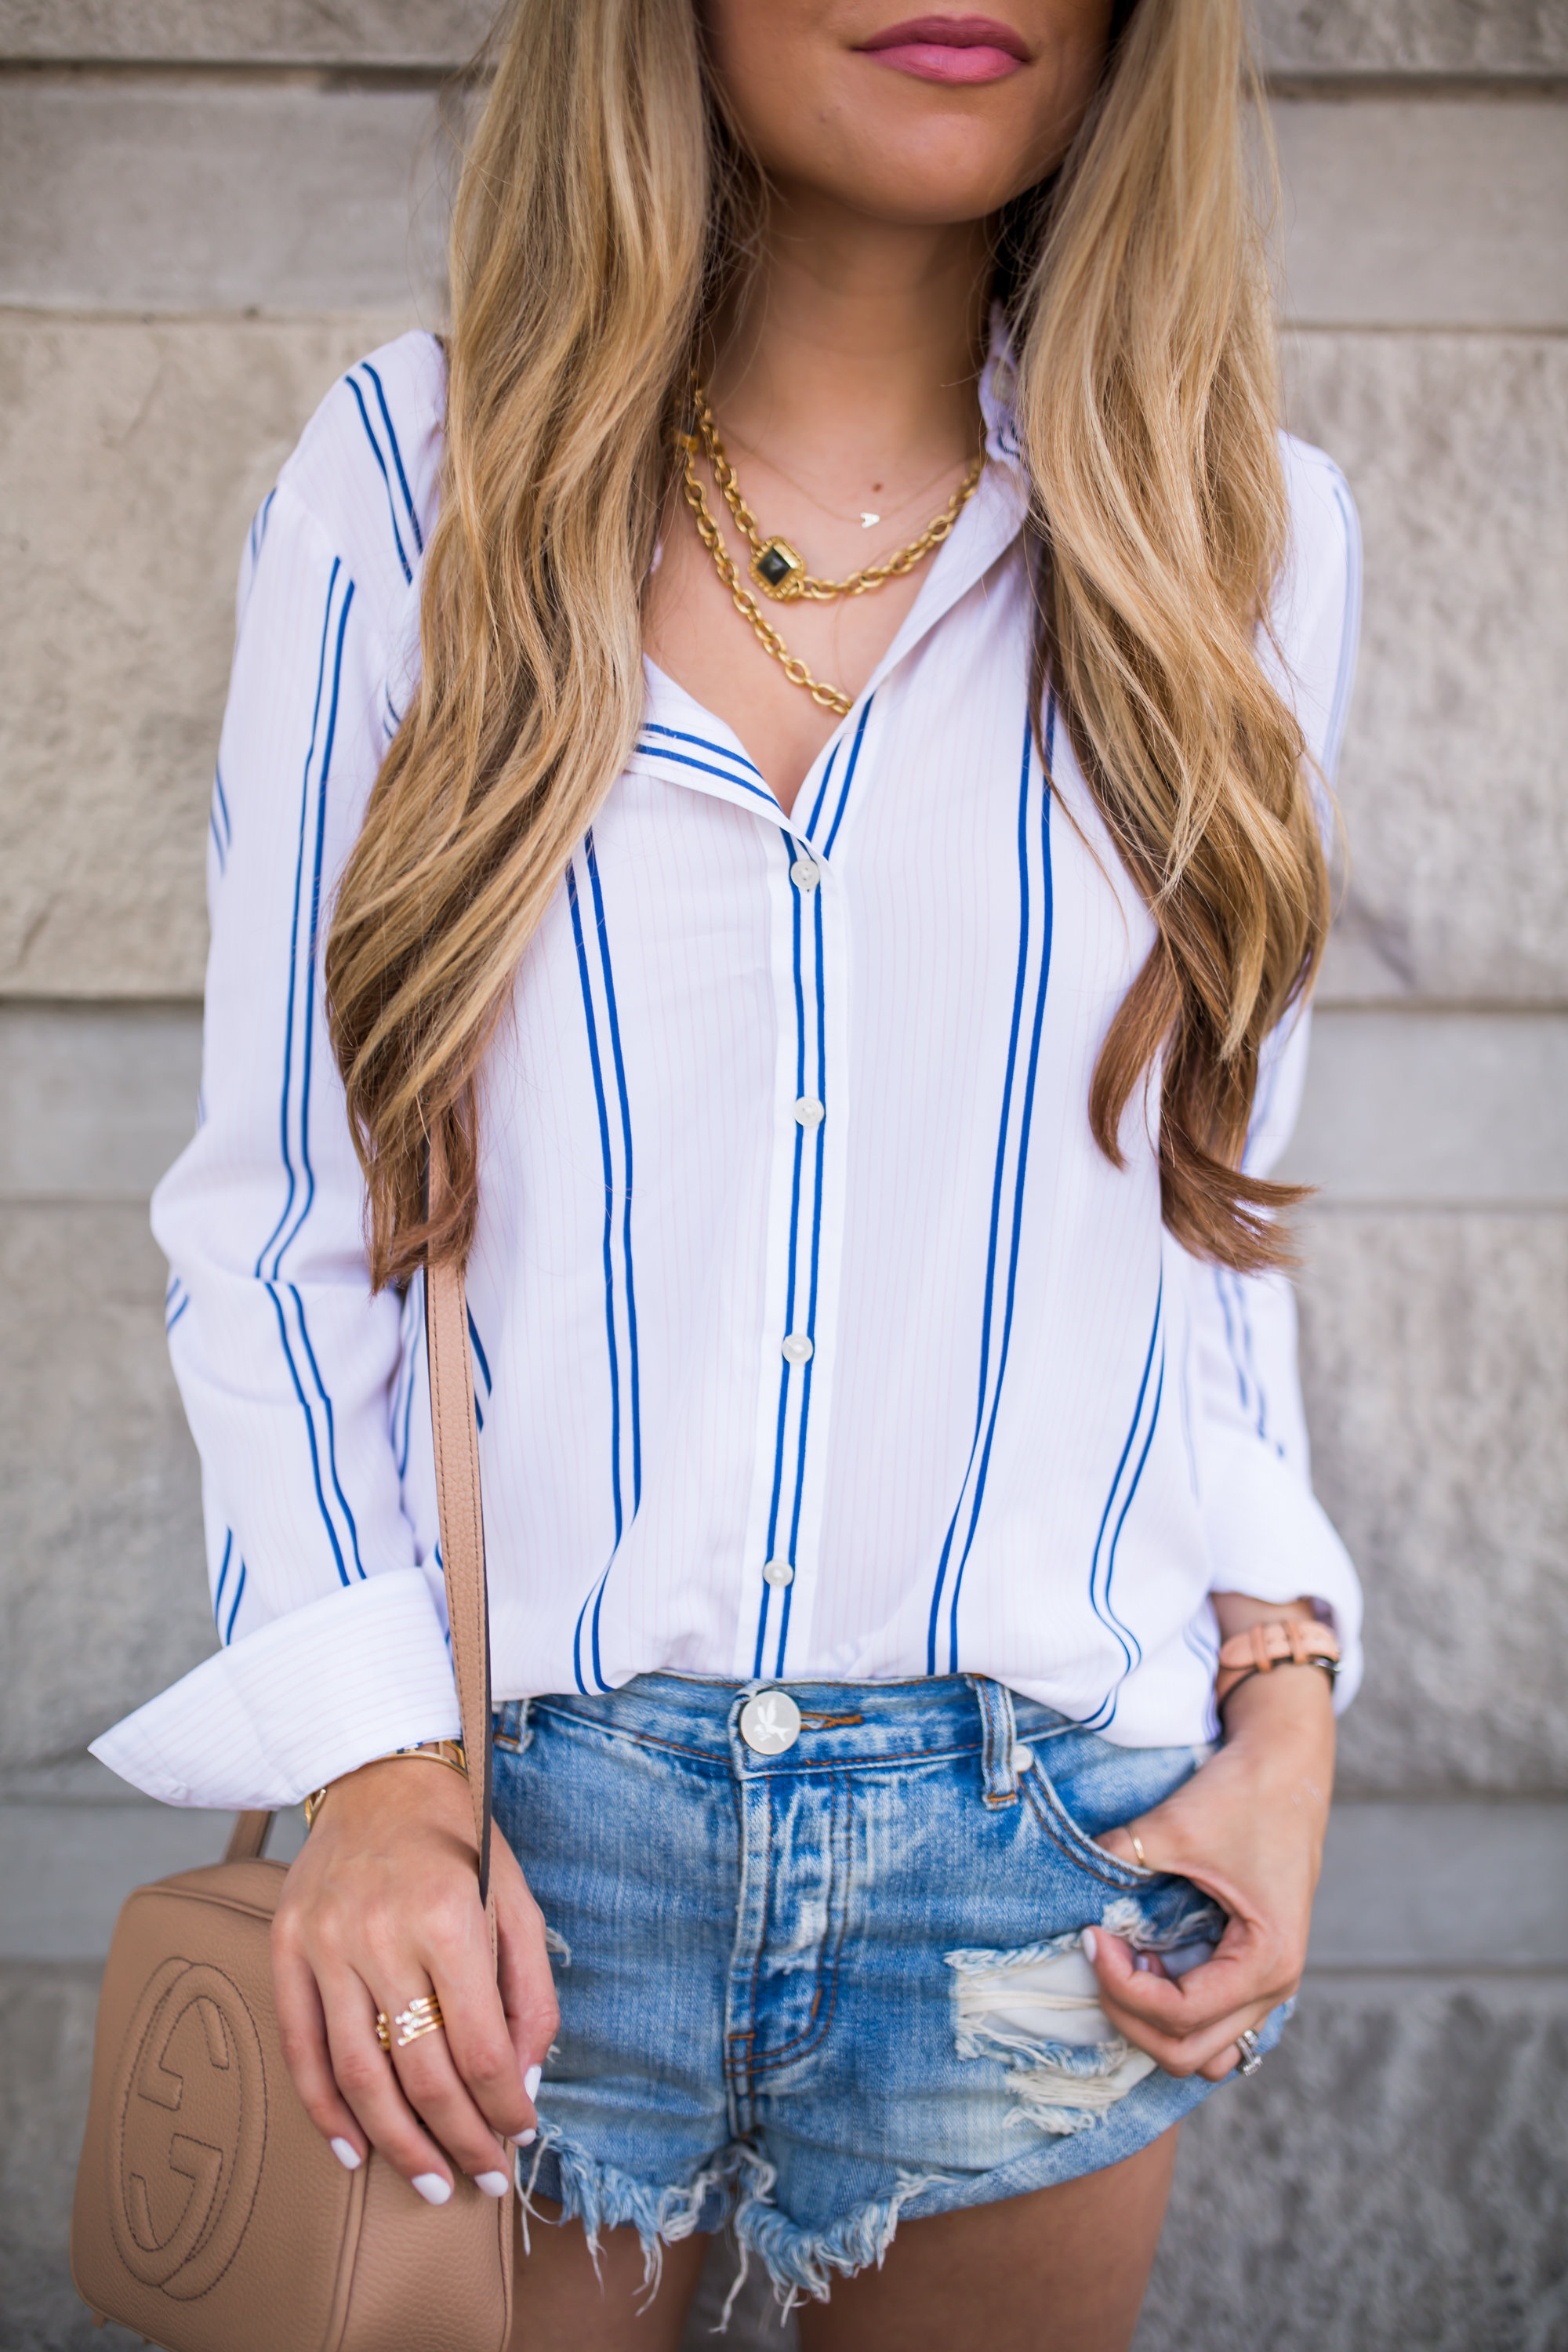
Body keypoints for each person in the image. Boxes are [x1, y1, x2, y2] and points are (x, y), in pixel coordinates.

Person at [94, 2, 1363, 2345]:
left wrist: (1286, 1717)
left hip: (1047, 1850)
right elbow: (278, 1223)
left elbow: (1195, 1239)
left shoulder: (1245, 541)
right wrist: (373, 1780)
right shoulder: (414, 482)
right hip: (524, 1852)